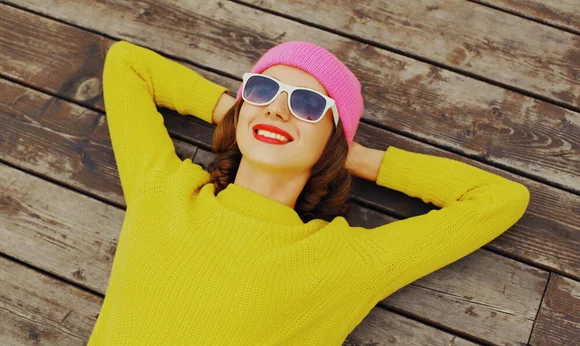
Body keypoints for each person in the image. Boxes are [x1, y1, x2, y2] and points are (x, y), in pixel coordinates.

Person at [88, 40, 530, 345]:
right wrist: (238, 112)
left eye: (307, 105)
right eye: (263, 91)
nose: (278, 108)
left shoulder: (345, 260)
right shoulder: (164, 191)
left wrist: (353, 157)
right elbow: (127, 63)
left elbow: (497, 198)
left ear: (333, 140)